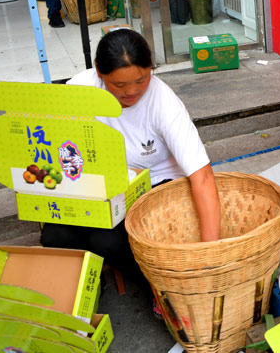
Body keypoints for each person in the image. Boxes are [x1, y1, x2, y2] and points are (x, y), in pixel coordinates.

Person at [40, 29, 222, 280]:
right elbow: (57, 142)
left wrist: (209, 258)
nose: (132, 92)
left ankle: (161, 286)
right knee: (55, 235)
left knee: (107, 240)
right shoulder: (80, 90)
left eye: (142, 79)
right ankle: (88, 286)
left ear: (151, 69)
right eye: (119, 84)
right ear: (98, 72)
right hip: (106, 187)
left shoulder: (163, 103)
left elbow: (202, 177)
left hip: (157, 186)